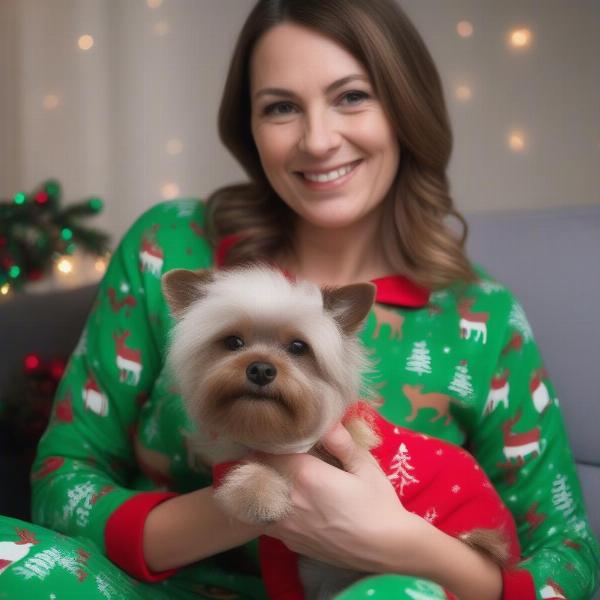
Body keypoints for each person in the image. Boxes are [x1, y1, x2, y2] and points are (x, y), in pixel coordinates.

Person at [0, 0, 598, 598]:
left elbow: (569, 560)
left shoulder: (480, 316)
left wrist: (396, 544)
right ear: (250, 127)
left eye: (352, 96)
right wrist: (244, 506)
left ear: (405, 107)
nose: (317, 140)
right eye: (281, 107)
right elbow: (62, 481)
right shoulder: (173, 246)